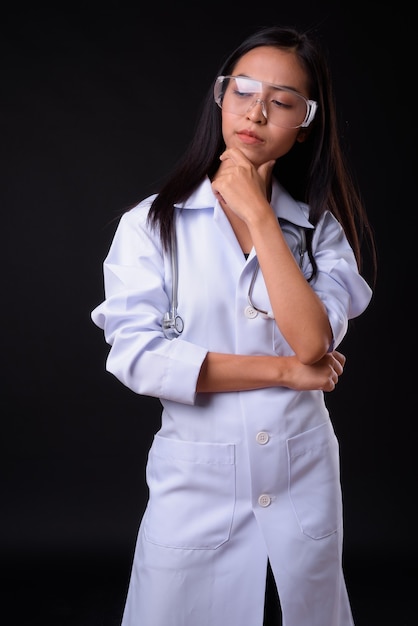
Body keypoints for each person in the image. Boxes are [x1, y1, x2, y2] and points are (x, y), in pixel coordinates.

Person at [91, 24, 377, 626]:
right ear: (221, 97)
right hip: (198, 480)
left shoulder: (316, 227)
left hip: (302, 474)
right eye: (243, 90)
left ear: (306, 121)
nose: (257, 111)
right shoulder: (151, 225)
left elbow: (313, 341)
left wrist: (257, 213)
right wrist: (283, 372)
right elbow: (139, 358)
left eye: (282, 101)